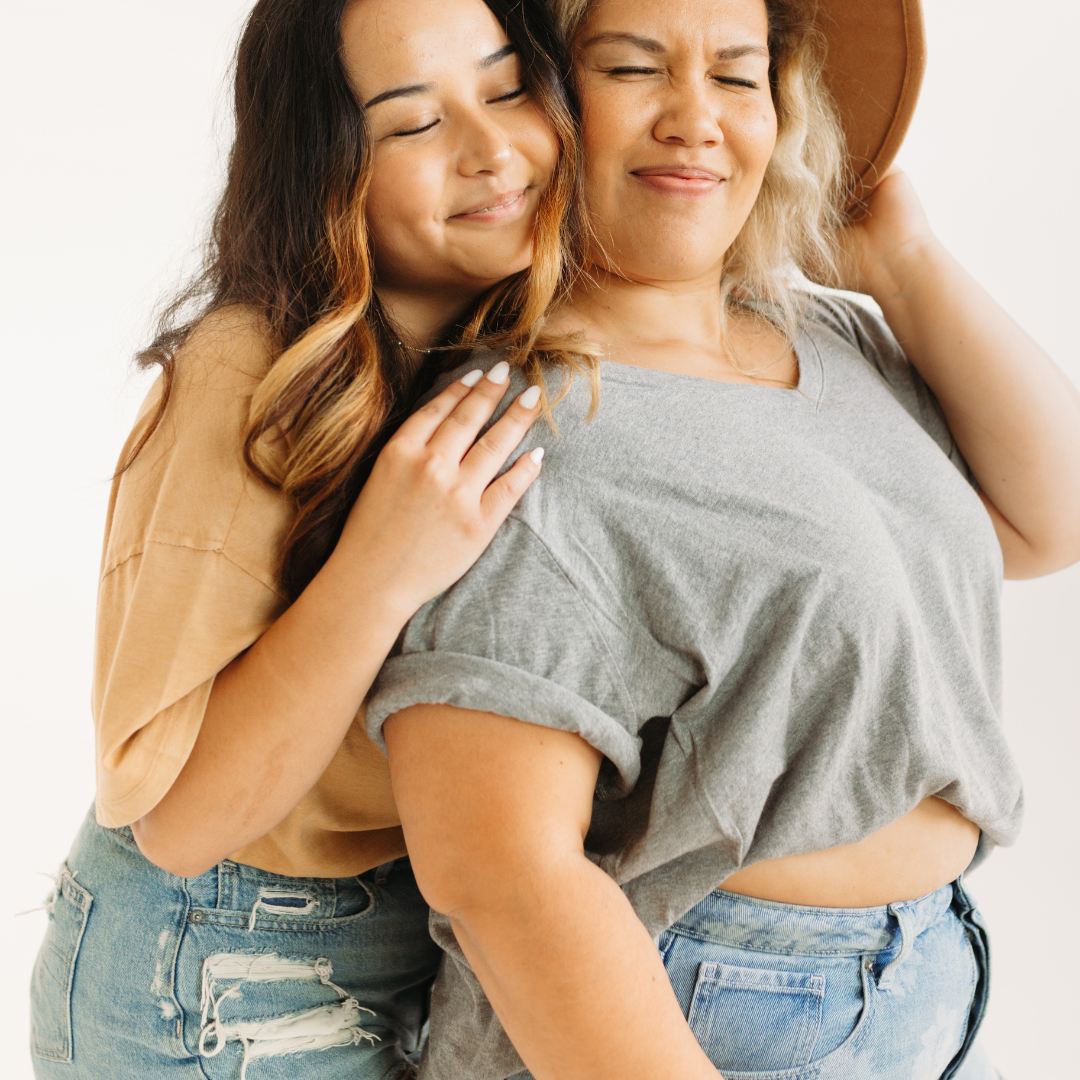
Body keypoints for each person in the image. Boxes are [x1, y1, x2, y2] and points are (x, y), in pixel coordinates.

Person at [364, 0, 1080, 1077]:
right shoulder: (519, 429)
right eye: (633, 69)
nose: (696, 118)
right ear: (539, 106)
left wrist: (904, 261)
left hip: (919, 973)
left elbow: (1046, 520)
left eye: (739, 77)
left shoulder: (828, 338)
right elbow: (497, 877)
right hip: (704, 1003)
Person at [28, 0, 584, 1077]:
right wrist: (382, 569)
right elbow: (176, 822)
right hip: (215, 954)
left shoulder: (512, 343)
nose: (491, 151)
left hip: (418, 935)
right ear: (328, 173)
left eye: (508, 87)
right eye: (414, 123)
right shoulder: (249, 374)